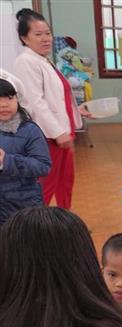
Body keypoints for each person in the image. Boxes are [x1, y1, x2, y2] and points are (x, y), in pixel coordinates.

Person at [13, 8, 91, 209]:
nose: (45, 39)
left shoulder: (44, 60)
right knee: (46, 185)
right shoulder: (26, 61)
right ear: (24, 38)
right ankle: (38, 229)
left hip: (63, 132)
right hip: (48, 136)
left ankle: (64, 222)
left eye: (47, 33)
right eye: (38, 34)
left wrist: (76, 112)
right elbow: (35, 102)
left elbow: (57, 97)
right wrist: (58, 133)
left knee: (65, 182)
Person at [0, 70, 50, 225]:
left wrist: (6, 161)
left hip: (23, 205)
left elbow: (43, 166)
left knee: (23, 245)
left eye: (10, 97)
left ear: (18, 99)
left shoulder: (29, 130)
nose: (4, 104)